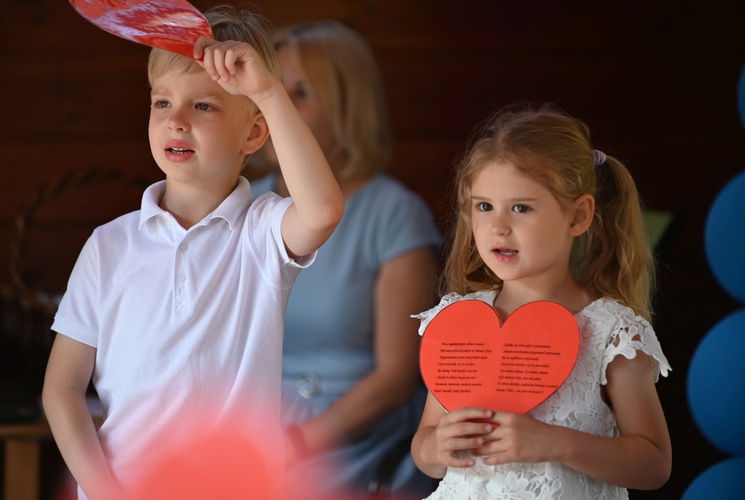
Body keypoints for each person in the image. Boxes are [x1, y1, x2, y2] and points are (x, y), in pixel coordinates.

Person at [41, 5, 344, 499]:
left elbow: (323, 211)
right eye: (162, 103)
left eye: (203, 106)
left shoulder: (262, 232)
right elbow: (63, 389)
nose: (176, 121)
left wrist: (267, 91)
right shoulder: (107, 245)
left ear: (253, 132)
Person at [410, 104, 672, 499]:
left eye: (521, 207)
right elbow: (425, 448)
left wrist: (554, 443)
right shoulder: (457, 321)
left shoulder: (611, 332)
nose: (498, 225)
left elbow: (654, 464)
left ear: (578, 216)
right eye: (484, 206)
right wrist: (435, 446)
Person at [249, 20, 441, 499]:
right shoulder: (242, 207)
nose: (277, 110)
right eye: (272, 91)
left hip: (351, 440)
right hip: (250, 425)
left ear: (347, 110)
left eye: (302, 93)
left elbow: (396, 379)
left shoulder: (394, 213)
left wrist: (296, 444)